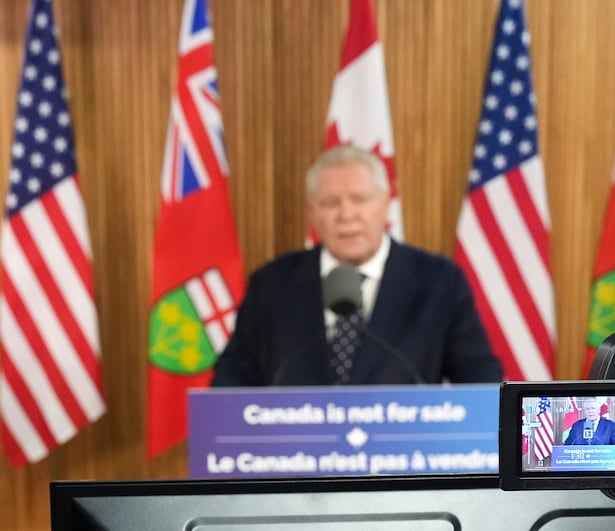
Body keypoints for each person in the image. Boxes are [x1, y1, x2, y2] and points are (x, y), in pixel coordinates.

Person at [212, 145, 502, 387]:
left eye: (360, 199)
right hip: (296, 449)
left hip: (403, 449)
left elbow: (479, 376)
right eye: (329, 203)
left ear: (385, 204)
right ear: (312, 213)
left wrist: (538, 450)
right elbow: (231, 381)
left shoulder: (439, 282)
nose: (346, 214)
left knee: (541, 445)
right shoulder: (273, 284)